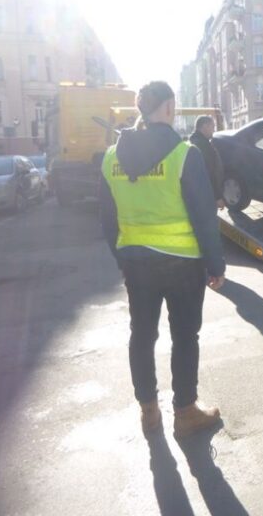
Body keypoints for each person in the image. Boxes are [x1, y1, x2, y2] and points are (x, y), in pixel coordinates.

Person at [99, 81, 226, 438]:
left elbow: (106, 218)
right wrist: (216, 265)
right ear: (169, 107)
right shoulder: (185, 155)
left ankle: (149, 411)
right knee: (184, 337)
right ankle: (185, 412)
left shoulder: (111, 158)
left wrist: (122, 256)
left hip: (135, 263)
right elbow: (204, 216)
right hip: (182, 264)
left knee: (141, 335)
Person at [189, 115, 226, 210]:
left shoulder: (193, 142)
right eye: (212, 127)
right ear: (205, 126)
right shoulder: (203, 145)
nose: (214, 130)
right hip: (206, 195)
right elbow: (210, 173)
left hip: (196, 194)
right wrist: (218, 197)